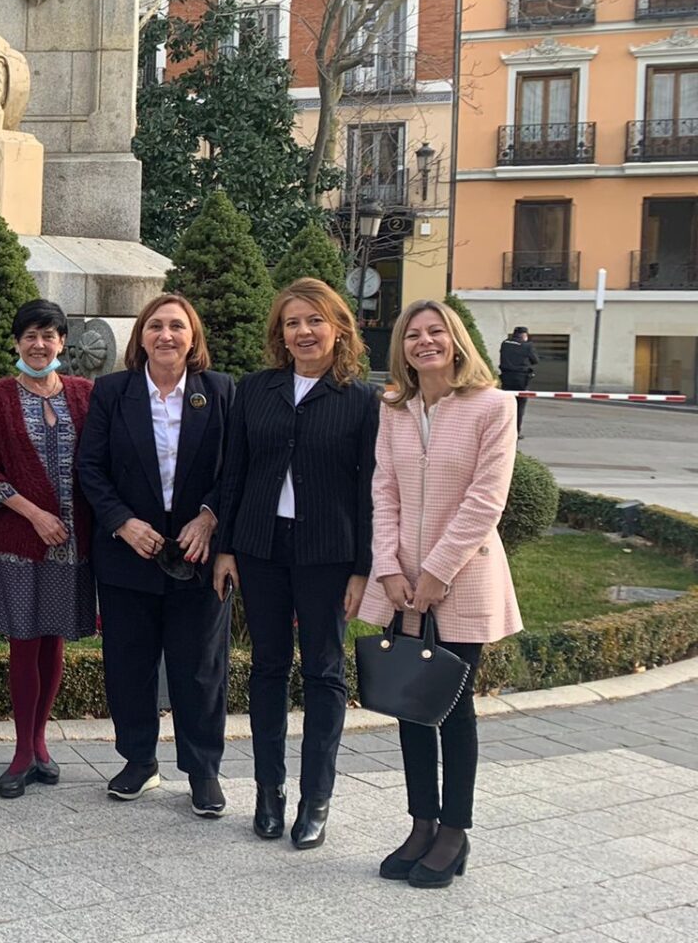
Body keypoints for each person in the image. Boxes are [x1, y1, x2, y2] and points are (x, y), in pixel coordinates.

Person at [357, 299, 522, 889]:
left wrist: (435, 574)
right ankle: (421, 823)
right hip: (401, 581)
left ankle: (455, 831)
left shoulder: (494, 406)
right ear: (401, 346)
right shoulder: (395, 408)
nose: (425, 342)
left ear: (456, 341)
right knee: (410, 703)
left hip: (463, 578)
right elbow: (384, 491)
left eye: (437, 332)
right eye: (413, 335)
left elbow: (486, 499)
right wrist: (388, 569)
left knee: (453, 708)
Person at [214, 277, 379, 850]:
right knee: (266, 667)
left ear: (338, 328)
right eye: (292, 323)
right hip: (261, 547)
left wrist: (363, 566)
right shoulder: (255, 390)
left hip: (327, 554)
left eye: (314, 321)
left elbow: (369, 492)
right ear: (279, 335)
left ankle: (316, 799)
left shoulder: (361, 400)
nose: (303, 332)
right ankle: (268, 791)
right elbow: (233, 472)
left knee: (324, 672)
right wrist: (227, 547)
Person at [78, 293, 234, 817]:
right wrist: (122, 522)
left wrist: (210, 515)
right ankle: (139, 760)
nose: (166, 335)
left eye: (177, 327)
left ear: (193, 339)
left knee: (200, 668)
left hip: (199, 555)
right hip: (129, 555)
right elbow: (90, 468)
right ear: (140, 337)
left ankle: (203, 770)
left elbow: (237, 468)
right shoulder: (112, 392)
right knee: (129, 664)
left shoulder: (220, 392)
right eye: (155, 327)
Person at [0, 299, 96, 800]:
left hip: (74, 542)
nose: (39, 345)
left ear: (63, 341)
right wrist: (34, 514)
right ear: (17, 342)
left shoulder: (86, 394)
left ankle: (43, 743)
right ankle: (22, 750)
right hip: (22, 540)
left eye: (49, 335)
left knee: (54, 641)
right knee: (24, 640)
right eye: (29, 336)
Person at [497, 326, 538, 435]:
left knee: (506, 405)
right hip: (521, 379)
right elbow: (535, 360)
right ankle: (516, 432)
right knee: (519, 406)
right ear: (524, 335)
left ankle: (503, 431)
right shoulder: (527, 346)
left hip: (506, 378)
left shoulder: (505, 343)